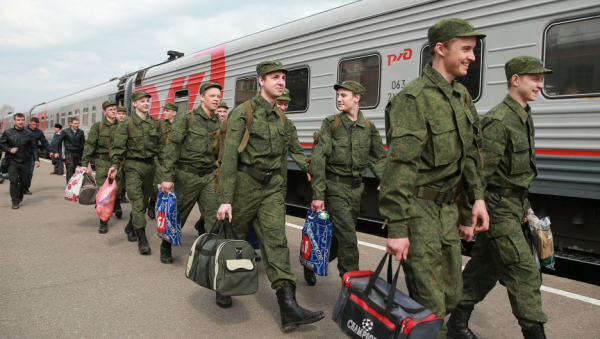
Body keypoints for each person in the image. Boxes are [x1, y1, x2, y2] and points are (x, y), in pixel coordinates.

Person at [379, 18, 490, 339]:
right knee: (431, 306)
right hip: (418, 211)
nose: (472, 56)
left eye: (473, 50)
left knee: (453, 294)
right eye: (465, 49)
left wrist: (475, 202)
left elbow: (470, 156)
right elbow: (400, 167)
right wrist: (398, 230)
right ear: (440, 49)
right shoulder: (413, 99)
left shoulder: (461, 97)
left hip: (447, 212)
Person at [447, 56, 552, 339]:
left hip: (514, 208)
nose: (540, 85)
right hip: (497, 210)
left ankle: (454, 326)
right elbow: (478, 175)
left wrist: (526, 208)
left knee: (483, 271)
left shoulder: (523, 116)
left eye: (541, 79)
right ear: (515, 80)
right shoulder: (499, 121)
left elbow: (515, 175)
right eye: (534, 79)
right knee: (526, 274)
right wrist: (468, 217)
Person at [216, 61, 322, 331]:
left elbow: (297, 152)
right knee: (233, 236)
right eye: (275, 77)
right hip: (244, 185)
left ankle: (289, 309)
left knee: (276, 241)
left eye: (284, 78)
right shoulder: (243, 113)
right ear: (260, 81)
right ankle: (223, 285)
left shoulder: (283, 119)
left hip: (273, 187)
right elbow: (229, 156)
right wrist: (225, 198)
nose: (281, 82)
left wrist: (310, 169)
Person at [308, 81, 387, 285]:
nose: (339, 99)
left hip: (356, 191)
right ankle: (353, 288)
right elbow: (319, 158)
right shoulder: (331, 123)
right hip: (334, 188)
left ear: (357, 98)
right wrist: (318, 194)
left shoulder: (368, 128)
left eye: (344, 95)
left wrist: (393, 189)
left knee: (338, 237)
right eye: (338, 95)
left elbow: (379, 160)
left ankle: (313, 261)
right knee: (349, 239)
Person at [159, 85, 221, 264]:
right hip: (187, 176)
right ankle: (166, 245)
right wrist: (167, 178)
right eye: (212, 96)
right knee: (178, 214)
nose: (216, 99)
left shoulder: (219, 123)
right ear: (202, 97)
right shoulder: (188, 118)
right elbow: (172, 148)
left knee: (213, 217)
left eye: (218, 96)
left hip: (209, 176)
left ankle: (212, 253)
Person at [108, 91, 165, 255]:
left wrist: (167, 168)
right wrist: (114, 165)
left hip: (151, 167)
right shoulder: (127, 124)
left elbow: (161, 149)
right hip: (133, 166)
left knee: (146, 201)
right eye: (142, 101)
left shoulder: (155, 124)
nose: (146, 103)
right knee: (138, 203)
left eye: (148, 101)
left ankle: (129, 227)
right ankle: (142, 239)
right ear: (134, 103)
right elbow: (118, 148)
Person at [81, 100, 123, 234]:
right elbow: (89, 146)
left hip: (119, 163)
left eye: (114, 109)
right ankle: (103, 222)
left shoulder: (122, 126)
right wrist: (84, 164)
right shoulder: (98, 127)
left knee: (119, 189)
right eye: (110, 109)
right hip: (102, 163)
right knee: (103, 193)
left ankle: (116, 203)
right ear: (104, 112)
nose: (113, 111)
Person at [0, 113, 39, 209]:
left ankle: (20, 193)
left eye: (22, 120)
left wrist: (36, 159)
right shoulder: (8, 132)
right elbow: (1, 144)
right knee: (13, 181)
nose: (20, 122)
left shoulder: (29, 134)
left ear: (25, 121)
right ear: (14, 121)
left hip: (24, 161)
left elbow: (34, 148)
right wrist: (9, 149)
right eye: (18, 120)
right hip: (12, 161)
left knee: (25, 182)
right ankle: (15, 201)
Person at [148, 102, 179, 221]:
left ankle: (166, 211)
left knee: (171, 187)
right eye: (164, 110)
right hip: (159, 159)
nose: (164, 113)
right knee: (158, 184)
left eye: (167, 111)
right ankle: (152, 202)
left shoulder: (178, 125)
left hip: (172, 160)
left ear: (174, 113)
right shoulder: (160, 124)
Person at [25, 117, 57, 194]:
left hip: (32, 154)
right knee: (21, 172)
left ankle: (26, 188)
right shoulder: (23, 130)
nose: (35, 126)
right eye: (33, 124)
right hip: (22, 154)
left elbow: (44, 142)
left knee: (30, 172)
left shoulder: (38, 132)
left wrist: (50, 151)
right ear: (30, 123)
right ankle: (19, 187)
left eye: (36, 125)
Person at [54, 117, 86, 184]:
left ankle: (72, 182)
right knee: (70, 167)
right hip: (69, 152)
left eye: (78, 123)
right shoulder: (65, 131)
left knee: (74, 167)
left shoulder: (81, 132)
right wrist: (56, 152)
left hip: (77, 152)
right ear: (71, 123)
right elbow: (58, 141)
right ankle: (69, 184)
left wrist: (85, 152)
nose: (76, 125)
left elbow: (83, 143)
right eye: (75, 123)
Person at [115, 106, 129, 205]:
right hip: (117, 156)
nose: (121, 116)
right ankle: (116, 198)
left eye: (123, 114)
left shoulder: (127, 125)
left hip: (126, 156)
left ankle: (122, 195)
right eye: (119, 114)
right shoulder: (113, 125)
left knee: (124, 177)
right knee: (117, 178)